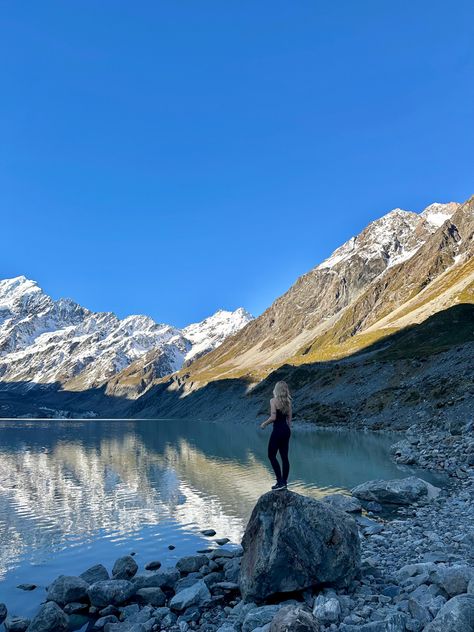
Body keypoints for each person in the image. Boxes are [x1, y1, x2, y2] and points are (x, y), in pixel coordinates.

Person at [260, 381, 292, 490]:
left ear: (276, 389)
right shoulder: (288, 402)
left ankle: (280, 482)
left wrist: (264, 424)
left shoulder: (273, 401)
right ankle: (284, 482)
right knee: (284, 457)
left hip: (277, 430)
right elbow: (289, 420)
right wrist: (286, 430)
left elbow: (273, 418)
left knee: (271, 455)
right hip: (286, 430)